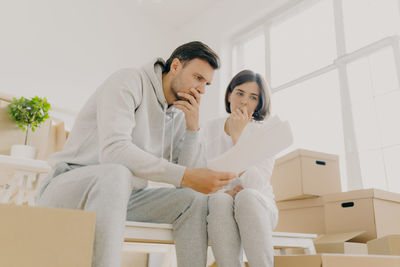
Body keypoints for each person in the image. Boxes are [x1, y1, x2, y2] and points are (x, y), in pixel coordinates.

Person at [36, 41, 235, 267]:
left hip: (124, 197)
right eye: (198, 78)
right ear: (176, 66)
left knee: (193, 200)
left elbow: (189, 183)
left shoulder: (180, 113)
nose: (201, 90)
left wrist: (192, 129)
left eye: (207, 84)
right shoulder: (129, 80)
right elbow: (114, 151)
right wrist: (186, 175)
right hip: (69, 187)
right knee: (116, 173)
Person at [202, 70, 278, 267]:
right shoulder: (210, 128)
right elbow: (200, 177)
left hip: (257, 207)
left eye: (253, 97)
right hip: (221, 205)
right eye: (240, 93)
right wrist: (227, 193)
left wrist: (238, 137)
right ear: (229, 95)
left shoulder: (265, 133)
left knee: (246, 197)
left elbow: (256, 185)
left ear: (259, 104)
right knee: (219, 199)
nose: (245, 102)